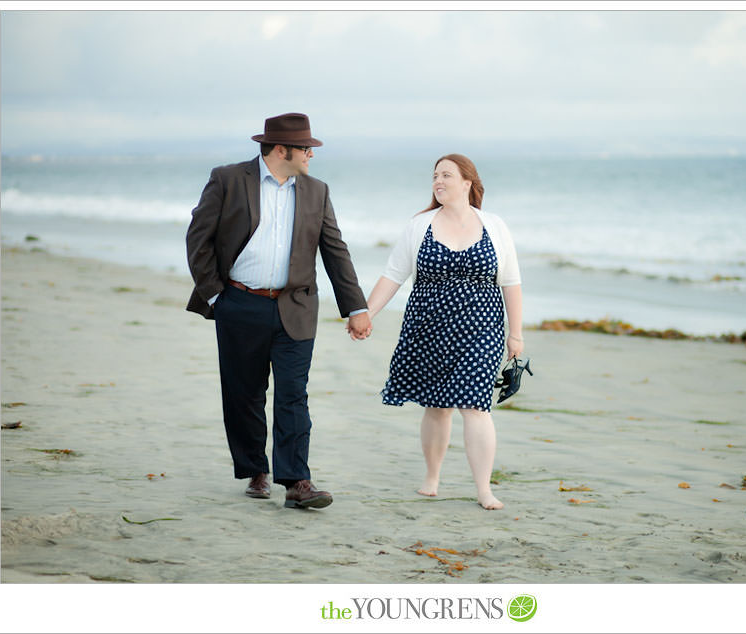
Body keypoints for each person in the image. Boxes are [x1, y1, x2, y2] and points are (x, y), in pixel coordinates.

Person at [186, 112, 371, 509]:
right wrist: (218, 297)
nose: (311, 155)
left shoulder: (317, 191)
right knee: (245, 395)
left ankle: (296, 482)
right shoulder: (229, 179)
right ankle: (256, 469)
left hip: (296, 306)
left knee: (293, 395)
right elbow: (198, 239)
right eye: (305, 148)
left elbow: (335, 250)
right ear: (281, 149)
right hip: (239, 303)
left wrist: (355, 307)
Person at [357, 154, 523, 510]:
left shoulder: (494, 225)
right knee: (437, 407)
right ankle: (432, 477)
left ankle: (484, 490)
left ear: (467, 182)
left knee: (476, 405)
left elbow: (511, 282)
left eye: (447, 175)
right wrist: (366, 314)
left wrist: (516, 333)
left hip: (482, 330)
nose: (438, 181)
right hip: (428, 328)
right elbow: (393, 275)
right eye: (435, 176)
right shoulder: (420, 225)